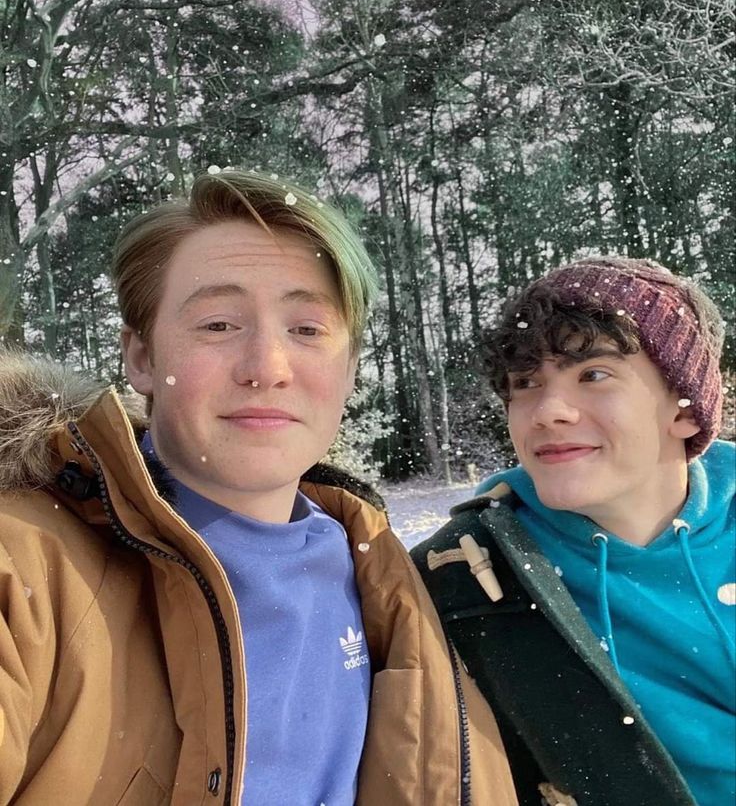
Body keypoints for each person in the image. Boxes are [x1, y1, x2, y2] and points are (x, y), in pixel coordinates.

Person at [0, 170, 518, 805]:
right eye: (218, 325)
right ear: (142, 358)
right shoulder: (21, 569)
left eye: (307, 330)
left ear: (350, 368)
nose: (267, 369)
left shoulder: (387, 575)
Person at [412, 256, 735, 806]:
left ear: (683, 410)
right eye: (525, 383)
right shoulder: (458, 577)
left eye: (594, 374)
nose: (548, 411)